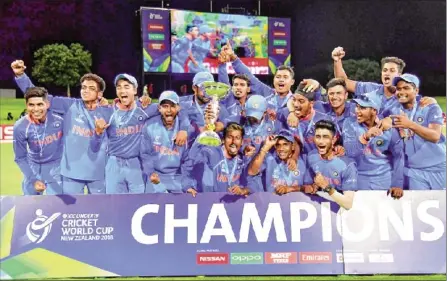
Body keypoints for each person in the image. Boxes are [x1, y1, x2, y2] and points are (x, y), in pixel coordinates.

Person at [331, 47, 436, 117]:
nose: (387, 73)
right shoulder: (370, 88)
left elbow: (424, 106)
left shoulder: (405, 97)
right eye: (385, 70)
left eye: (392, 71)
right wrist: (337, 61)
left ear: (399, 75)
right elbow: (343, 82)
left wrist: (431, 101)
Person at [220, 42, 321, 112]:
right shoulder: (265, 92)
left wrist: (318, 87)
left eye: (285, 77)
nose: (281, 79)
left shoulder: (298, 101)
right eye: (278, 77)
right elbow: (248, 75)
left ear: (292, 82)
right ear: (274, 80)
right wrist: (233, 57)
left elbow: (318, 106)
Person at [342, 91, 404, 198]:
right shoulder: (349, 123)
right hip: (358, 179)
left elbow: (398, 156)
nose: (357, 111)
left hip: (384, 180)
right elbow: (350, 152)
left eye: (362, 108)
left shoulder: (388, 129)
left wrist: (397, 183)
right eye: (356, 107)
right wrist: (365, 137)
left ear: (374, 111)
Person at [390, 74, 446, 190]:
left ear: (416, 90)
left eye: (406, 88)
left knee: (440, 205)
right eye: (399, 89)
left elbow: (435, 136)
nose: (401, 92)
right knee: (419, 203)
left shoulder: (430, 107)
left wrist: (410, 124)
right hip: (414, 171)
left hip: (437, 167)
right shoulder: (393, 110)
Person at [140, 91, 196, 193]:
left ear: (178, 108)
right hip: (156, 176)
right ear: (159, 108)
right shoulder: (149, 126)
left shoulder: (187, 130)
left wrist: (186, 185)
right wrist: (150, 173)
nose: (169, 110)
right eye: (165, 106)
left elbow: (188, 161)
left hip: (177, 178)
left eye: (172, 106)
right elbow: (145, 154)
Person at [13, 87, 64, 195]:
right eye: (31, 105)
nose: (35, 109)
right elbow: (20, 157)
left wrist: (101, 105)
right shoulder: (20, 127)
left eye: (40, 104)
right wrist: (33, 179)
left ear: (47, 104)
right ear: (26, 105)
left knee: (58, 206)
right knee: (30, 206)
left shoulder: (60, 120)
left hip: (56, 167)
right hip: (33, 168)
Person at [306, 120, 358, 210]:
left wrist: (326, 187)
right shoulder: (311, 156)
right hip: (321, 211)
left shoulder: (347, 165)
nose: (321, 141)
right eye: (318, 137)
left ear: (333, 140)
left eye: (325, 137)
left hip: (344, 215)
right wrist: (314, 186)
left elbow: (348, 204)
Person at [187, 122, 250, 196]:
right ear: (223, 140)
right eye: (229, 137)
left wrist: (244, 190)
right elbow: (190, 162)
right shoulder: (211, 153)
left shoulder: (244, 159)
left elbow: (252, 183)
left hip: (235, 203)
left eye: (237, 138)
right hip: (213, 202)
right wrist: (188, 186)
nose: (233, 141)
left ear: (242, 142)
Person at [278, 85, 340, 155]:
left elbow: (338, 142)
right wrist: (291, 112)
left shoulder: (326, 120)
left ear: (311, 103)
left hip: (319, 162)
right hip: (296, 163)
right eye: (294, 100)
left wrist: (339, 147)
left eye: (301, 101)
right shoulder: (285, 114)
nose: (295, 104)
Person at [247, 130, 312, 194]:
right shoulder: (269, 159)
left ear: (292, 147)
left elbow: (310, 188)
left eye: (285, 144)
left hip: (297, 202)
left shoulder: (303, 160)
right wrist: (265, 148)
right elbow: (251, 172)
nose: (281, 148)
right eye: (278, 145)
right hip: (272, 202)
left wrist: (290, 189)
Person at [180, 71, 230, 142]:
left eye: (210, 88)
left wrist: (222, 125)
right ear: (194, 88)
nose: (207, 93)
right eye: (203, 88)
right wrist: (183, 129)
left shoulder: (219, 107)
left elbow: (229, 122)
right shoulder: (181, 103)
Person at [217, 54, 252, 124]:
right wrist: (222, 65)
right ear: (232, 88)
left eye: (242, 85)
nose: (238, 87)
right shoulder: (229, 100)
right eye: (236, 85)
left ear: (248, 89)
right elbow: (224, 82)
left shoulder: (253, 105)